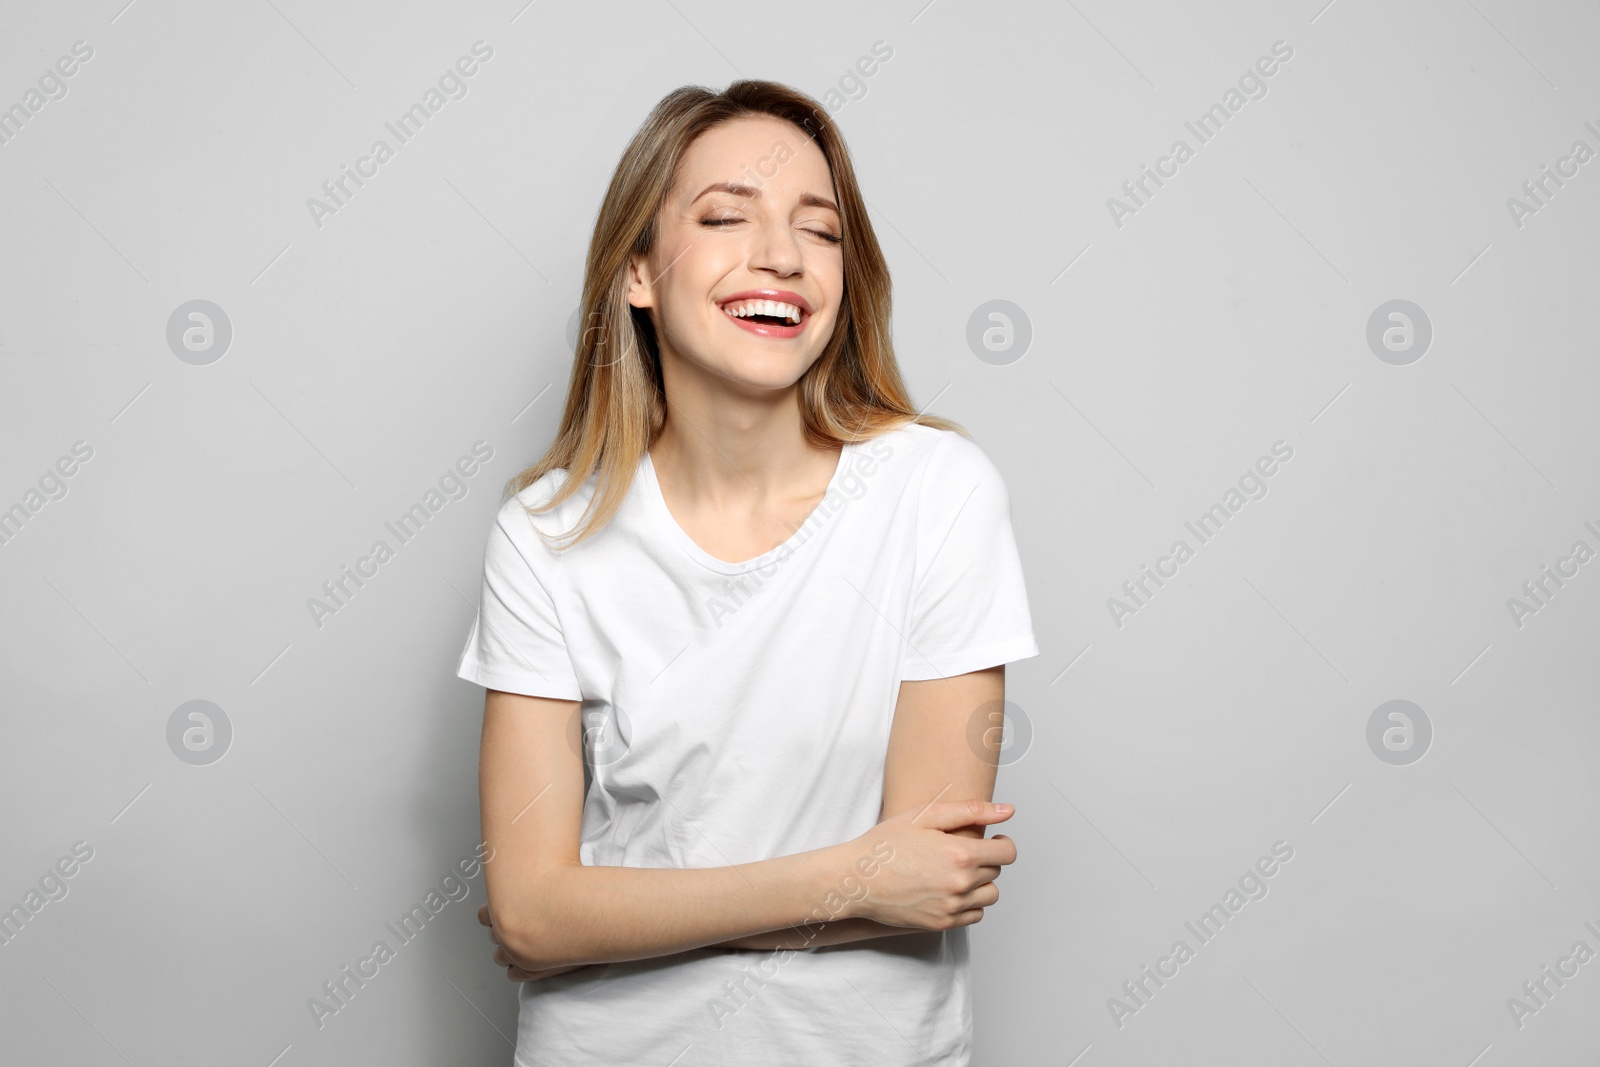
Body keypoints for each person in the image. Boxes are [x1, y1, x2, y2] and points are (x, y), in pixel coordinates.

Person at [456, 78, 1038, 1066]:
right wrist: (855, 879)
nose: (781, 254)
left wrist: (596, 912)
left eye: (820, 231)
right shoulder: (545, 533)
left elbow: (929, 879)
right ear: (637, 271)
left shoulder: (936, 491)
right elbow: (530, 912)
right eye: (726, 215)